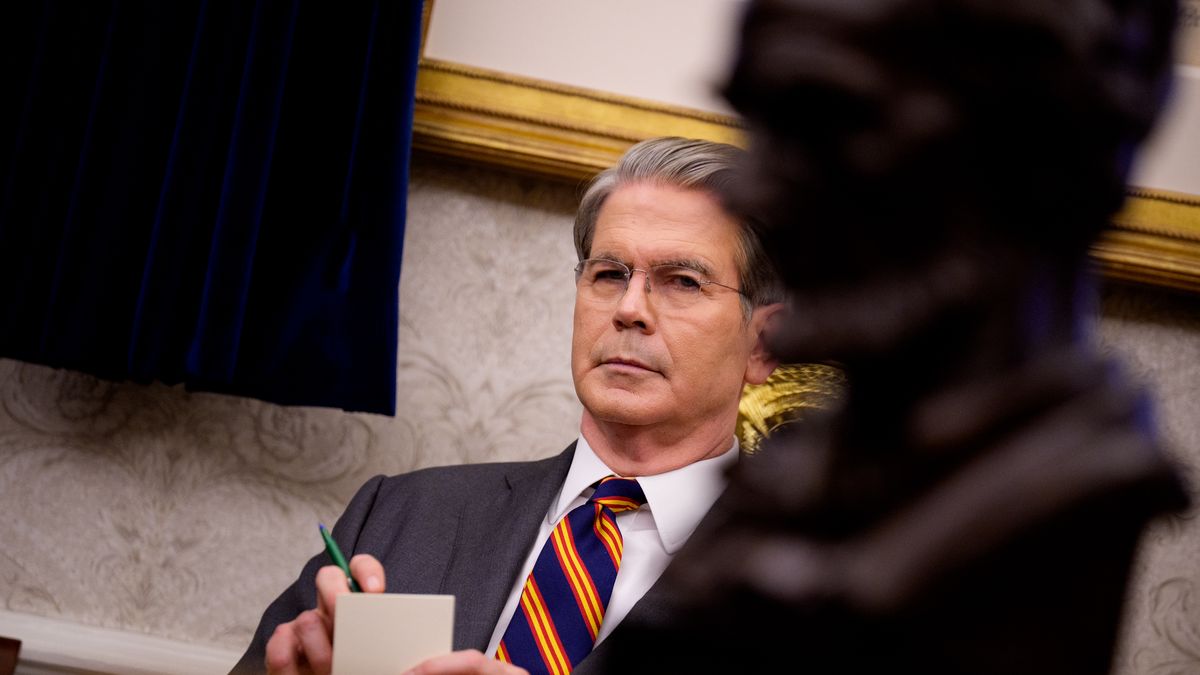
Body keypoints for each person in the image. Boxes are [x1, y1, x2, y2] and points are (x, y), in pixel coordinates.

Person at [606, 0, 1191, 673]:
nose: (754, 193)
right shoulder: (814, 459)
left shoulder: (1051, 497)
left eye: (828, 124)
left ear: (1028, 154)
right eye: (760, 128)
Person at [230, 136, 785, 675]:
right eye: (610, 273)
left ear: (763, 344)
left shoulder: (813, 591)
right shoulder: (398, 514)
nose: (629, 307)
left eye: (683, 281)